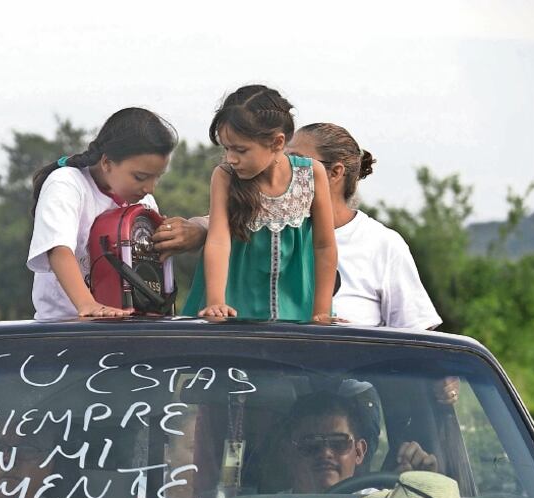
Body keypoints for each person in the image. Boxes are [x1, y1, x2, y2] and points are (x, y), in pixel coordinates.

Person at [183, 85, 337, 322]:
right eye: (227, 148)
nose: (231, 158)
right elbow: (218, 241)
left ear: (277, 142)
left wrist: (322, 311)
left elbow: (324, 246)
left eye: (241, 150)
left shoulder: (311, 174)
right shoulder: (224, 177)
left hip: (298, 303)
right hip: (235, 301)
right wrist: (216, 302)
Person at [26, 107, 186, 320]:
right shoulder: (67, 184)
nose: (150, 188)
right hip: (65, 325)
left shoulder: (145, 202)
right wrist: (88, 305)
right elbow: (58, 249)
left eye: (157, 177)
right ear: (107, 162)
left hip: (127, 324)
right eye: (140, 177)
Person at [287, 123, 442, 328]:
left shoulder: (382, 244)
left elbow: (417, 335)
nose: (282, 170)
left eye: (295, 161)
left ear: (335, 172)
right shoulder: (269, 235)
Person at [287, 392, 437, 493]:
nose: (326, 453)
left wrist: (425, 486)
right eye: (311, 445)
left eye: (339, 443)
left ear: (359, 452)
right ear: (289, 453)